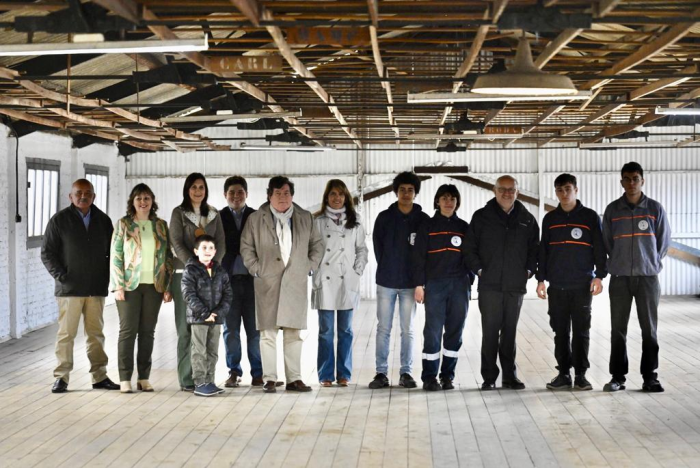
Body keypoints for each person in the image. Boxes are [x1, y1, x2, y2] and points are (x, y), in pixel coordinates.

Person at [240, 176, 324, 393]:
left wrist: (309, 266)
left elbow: (317, 244)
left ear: (292, 195)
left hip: (295, 283)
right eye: (277, 193)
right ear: (269, 196)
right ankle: (269, 378)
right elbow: (246, 247)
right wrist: (256, 268)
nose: (282, 198)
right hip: (267, 283)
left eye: (286, 193)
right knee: (267, 333)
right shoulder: (256, 219)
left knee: (293, 333)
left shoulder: (305, 217)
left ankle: (294, 379)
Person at [41, 179, 119, 393]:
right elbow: (47, 253)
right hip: (70, 289)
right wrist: (61, 276)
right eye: (78, 193)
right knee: (66, 335)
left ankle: (99, 376)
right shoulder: (59, 221)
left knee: (96, 334)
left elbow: (113, 252)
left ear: (93, 196)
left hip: (95, 288)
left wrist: (108, 278)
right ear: (71, 196)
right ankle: (61, 378)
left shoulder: (103, 221)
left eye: (87, 193)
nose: (83, 196)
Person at [465, 175, 539, 391]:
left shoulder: (526, 218)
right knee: (490, 332)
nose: (507, 193)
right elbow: (469, 248)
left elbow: (535, 248)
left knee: (510, 332)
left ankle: (509, 376)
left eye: (511, 189)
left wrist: (528, 270)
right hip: (490, 286)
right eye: (502, 189)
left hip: (515, 285)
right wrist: (480, 270)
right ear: (494, 191)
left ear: (517, 191)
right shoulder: (481, 217)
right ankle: (489, 377)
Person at [602, 162, 670, 393]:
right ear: (621, 182)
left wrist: (650, 263)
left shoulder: (655, 209)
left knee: (649, 329)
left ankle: (650, 377)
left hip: (648, 279)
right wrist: (618, 263)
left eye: (635, 178)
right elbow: (607, 243)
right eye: (627, 179)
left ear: (642, 180)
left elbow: (663, 242)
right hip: (620, 278)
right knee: (617, 329)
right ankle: (617, 377)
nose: (631, 183)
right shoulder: (612, 211)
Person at [536, 174, 607, 391]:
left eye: (567, 189)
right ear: (555, 192)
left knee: (581, 331)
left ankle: (581, 375)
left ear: (576, 189)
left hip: (581, 285)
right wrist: (540, 279)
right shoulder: (550, 219)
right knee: (560, 331)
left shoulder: (590, 217)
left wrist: (599, 275)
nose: (564, 194)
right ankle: (564, 373)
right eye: (559, 190)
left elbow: (599, 248)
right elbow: (543, 251)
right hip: (557, 286)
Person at [110, 184, 173, 393]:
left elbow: (168, 257)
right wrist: (118, 285)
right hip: (129, 286)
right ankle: (125, 377)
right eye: (139, 199)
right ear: (133, 202)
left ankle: (144, 377)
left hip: (154, 285)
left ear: (152, 201)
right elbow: (116, 256)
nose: (143, 202)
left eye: (147, 198)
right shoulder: (124, 224)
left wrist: (166, 285)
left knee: (148, 332)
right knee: (128, 331)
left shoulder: (161, 226)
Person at [369, 171, 430, 389]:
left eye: (410, 190)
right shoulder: (384, 218)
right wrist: (387, 267)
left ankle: (406, 372)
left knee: (408, 329)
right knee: (383, 328)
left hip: (410, 284)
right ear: (396, 192)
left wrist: (420, 282)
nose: (406, 193)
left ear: (415, 193)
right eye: (402, 189)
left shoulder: (423, 220)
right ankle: (381, 373)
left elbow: (426, 253)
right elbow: (378, 247)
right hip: (386, 281)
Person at [169, 173, 226, 392]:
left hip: (210, 278)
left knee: (205, 327)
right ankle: (187, 378)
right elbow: (176, 241)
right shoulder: (179, 213)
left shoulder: (213, 214)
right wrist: (196, 264)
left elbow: (221, 242)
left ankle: (206, 377)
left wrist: (212, 265)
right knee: (186, 328)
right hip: (184, 273)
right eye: (193, 187)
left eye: (201, 187)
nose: (197, 191)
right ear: (187, 189)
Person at [413, 184, 472, 391]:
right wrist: (419, 285)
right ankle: (429, 377)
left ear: (457, 202)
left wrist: (469, 280)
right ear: (437, 201)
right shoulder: (427, 227)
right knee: (433, 332)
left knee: (455, 332)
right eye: (444, 198)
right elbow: (418, 257)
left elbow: (471, 255)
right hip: (435, 285)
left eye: (453, 198)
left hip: (459, 285)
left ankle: (447, 376)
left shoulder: (464, 227)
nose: (449, 202)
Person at [312, 179, 368, 387]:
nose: (337, 198)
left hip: (348, 280)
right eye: (333, 194)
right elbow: (311, 249)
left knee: (346, 331)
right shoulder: (316, 221)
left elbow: (362, 249)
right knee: (325, 331)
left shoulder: (356, 221)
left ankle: (344, 373)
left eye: (341, 194)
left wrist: (358, 270)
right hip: (325, 279)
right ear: (326, 197)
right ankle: (325, 374)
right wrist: (313, 268)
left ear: (346, 197)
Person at [220, 176, 262, 388]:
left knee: (255, 331)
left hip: (253, 281)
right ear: (225, 195)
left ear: (246, 194)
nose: (236, 196)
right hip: (228, 282)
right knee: (231, 330)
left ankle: (258, 372)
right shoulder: (218, 218)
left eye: (240, 192)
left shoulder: (257, 216)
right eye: (231, 193)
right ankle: (234, 371)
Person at [181, 235, 233, 397]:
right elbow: (188, 294)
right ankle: (200, 382)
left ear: (215, 251)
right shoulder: (190, 270)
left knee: (212, 350)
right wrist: (205, 313)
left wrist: (218, 313)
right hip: (199, 318)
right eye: (204, 248)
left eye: (211, 248)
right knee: (199, 350)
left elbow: (228, 294)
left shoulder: (220, 270)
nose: (208, 251)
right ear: (196, 251)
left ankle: (210, 381)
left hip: (216, 319)